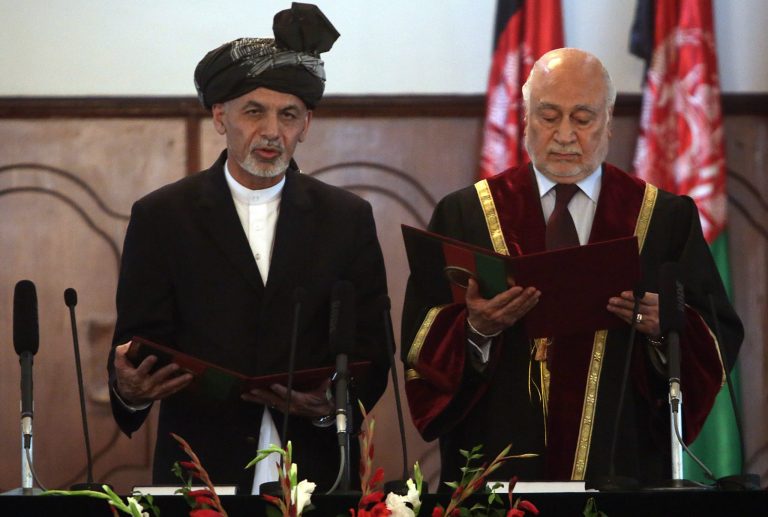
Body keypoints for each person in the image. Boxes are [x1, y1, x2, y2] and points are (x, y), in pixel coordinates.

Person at [401, 48, 743, 486]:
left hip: (624, 467)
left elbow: (717, 334)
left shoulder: (663, 219)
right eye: (548, 116)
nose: (564, 135)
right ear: (525, 118)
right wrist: (476, 330)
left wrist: (666, 328)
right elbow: (420, 337)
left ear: (609, 121)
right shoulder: (465, 215)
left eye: (582, 118)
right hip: (496, 467)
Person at [108, 3, 389, 493]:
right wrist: (129, 393)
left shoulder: (347, 219)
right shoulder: (163, 217)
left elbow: (372, 351)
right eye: (254, 112)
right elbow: (139, 348)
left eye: (288, 115)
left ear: (306, 125)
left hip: (317, 471)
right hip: (198, 469)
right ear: (221, 117)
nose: (271, 132)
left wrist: (332, 406)